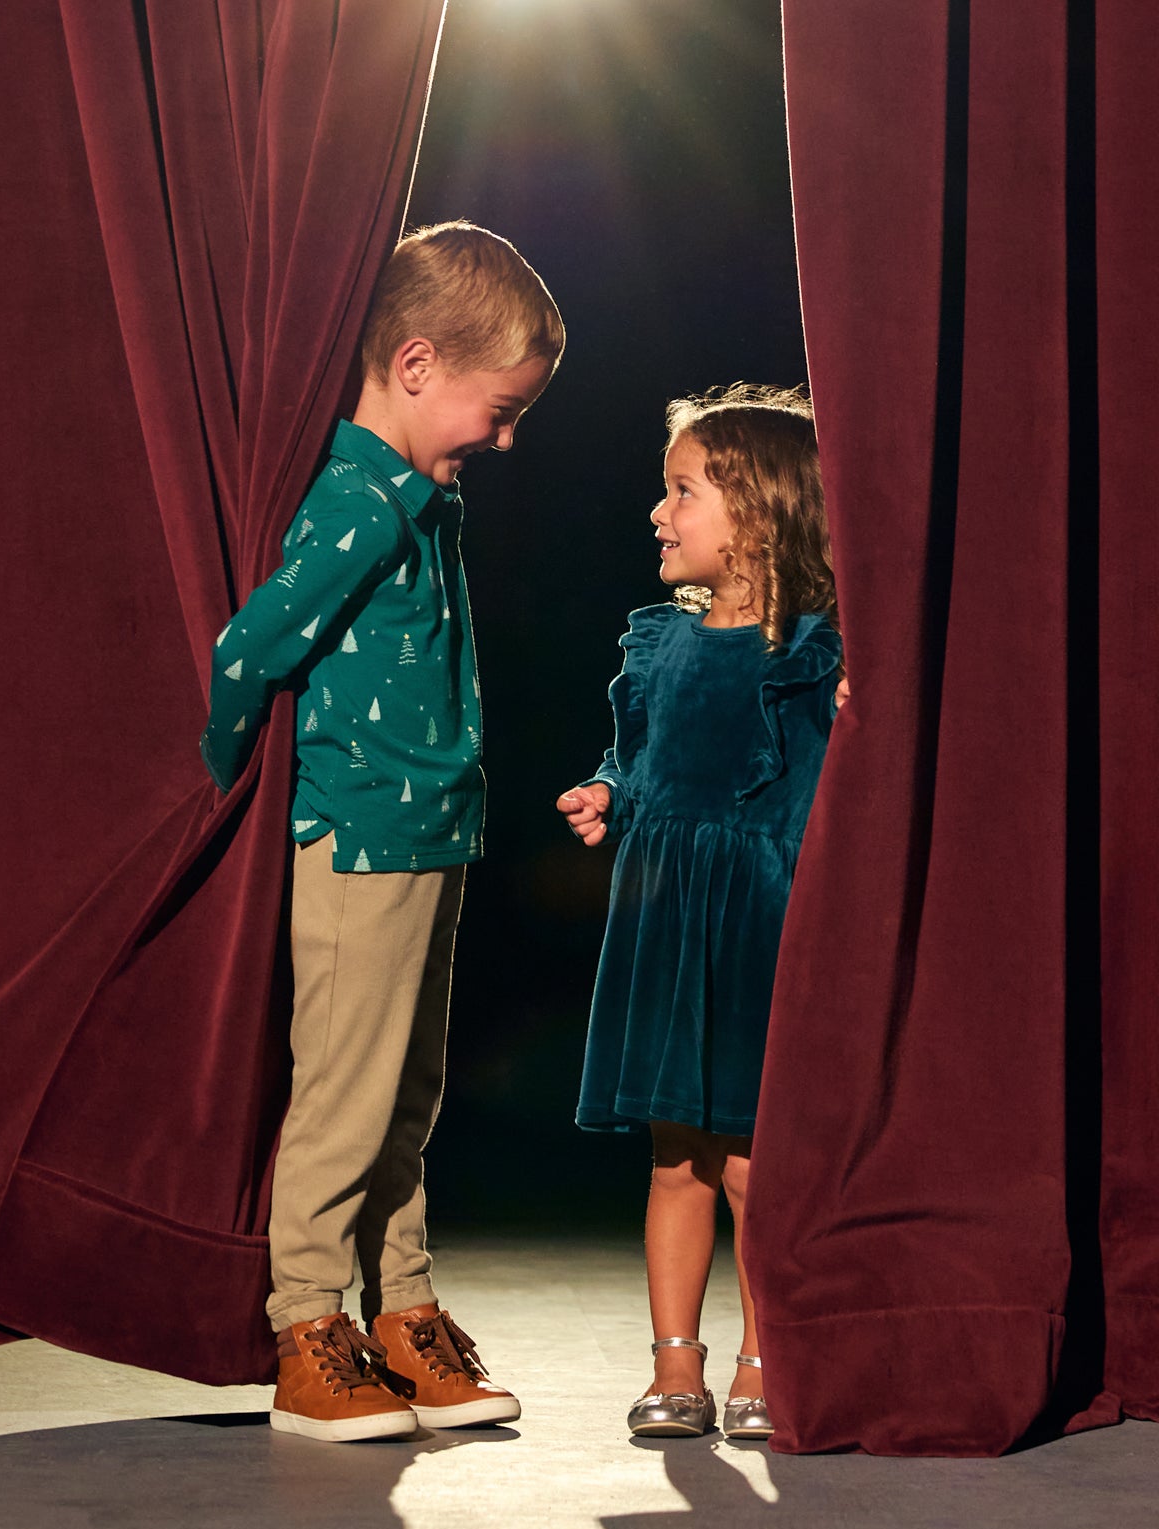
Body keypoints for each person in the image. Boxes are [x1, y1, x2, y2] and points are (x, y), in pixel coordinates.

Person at [202, 222, 563, 1442]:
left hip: (434, 829)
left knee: (408, 1092)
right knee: (347, 1095)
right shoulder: (359, 498)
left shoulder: (419, 500)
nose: (506, 440)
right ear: (415, 366)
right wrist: (210, 782)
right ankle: (308, 1323)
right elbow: (251, 648)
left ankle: (399, 1308)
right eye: (498, 409)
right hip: (360, 833)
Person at [557, 384, 845, 1441]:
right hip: (665, 915)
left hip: (763, 923)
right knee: (673, 1153)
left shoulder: (817, 651)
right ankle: (673, 1364)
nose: (656, 512)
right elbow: (635, 760)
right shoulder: (654, 645)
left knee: (751, 1161)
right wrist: (605, 794)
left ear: (760, 515)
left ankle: (766, 1360)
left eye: (681, 491)